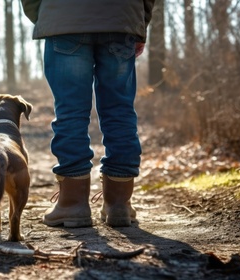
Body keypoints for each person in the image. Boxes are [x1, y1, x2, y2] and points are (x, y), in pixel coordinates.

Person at [21, 0, 156, 227]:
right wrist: (140, 23)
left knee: (70, 111)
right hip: (121, 17)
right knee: (119, 111)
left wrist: (46, 15)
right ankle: (119, 204)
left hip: (63, 15)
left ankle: (72, 205)